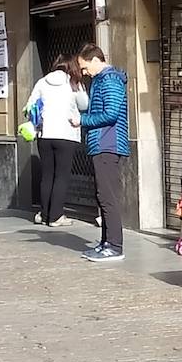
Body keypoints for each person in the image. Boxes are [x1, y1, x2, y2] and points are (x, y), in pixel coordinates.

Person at [75, 44, 130, 262]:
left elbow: (111, 114)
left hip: (108, 144)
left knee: (108, 197)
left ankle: (114, 245)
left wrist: (82, 120)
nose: (84, 72)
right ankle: (106, 242)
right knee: (103, 195)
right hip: (101, 143)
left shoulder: (109, 80)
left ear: (96, 60)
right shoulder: (101, 80)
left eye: (85, 67)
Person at [27, 55, 90, 227]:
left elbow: (30, 105)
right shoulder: (73, 83)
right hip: (66, 135)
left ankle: (45, 213)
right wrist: (80, 87)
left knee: (47, 175)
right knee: (61, 176)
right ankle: (56, 216)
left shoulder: (41, 82)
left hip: (45, 135)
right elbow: (84, 105)